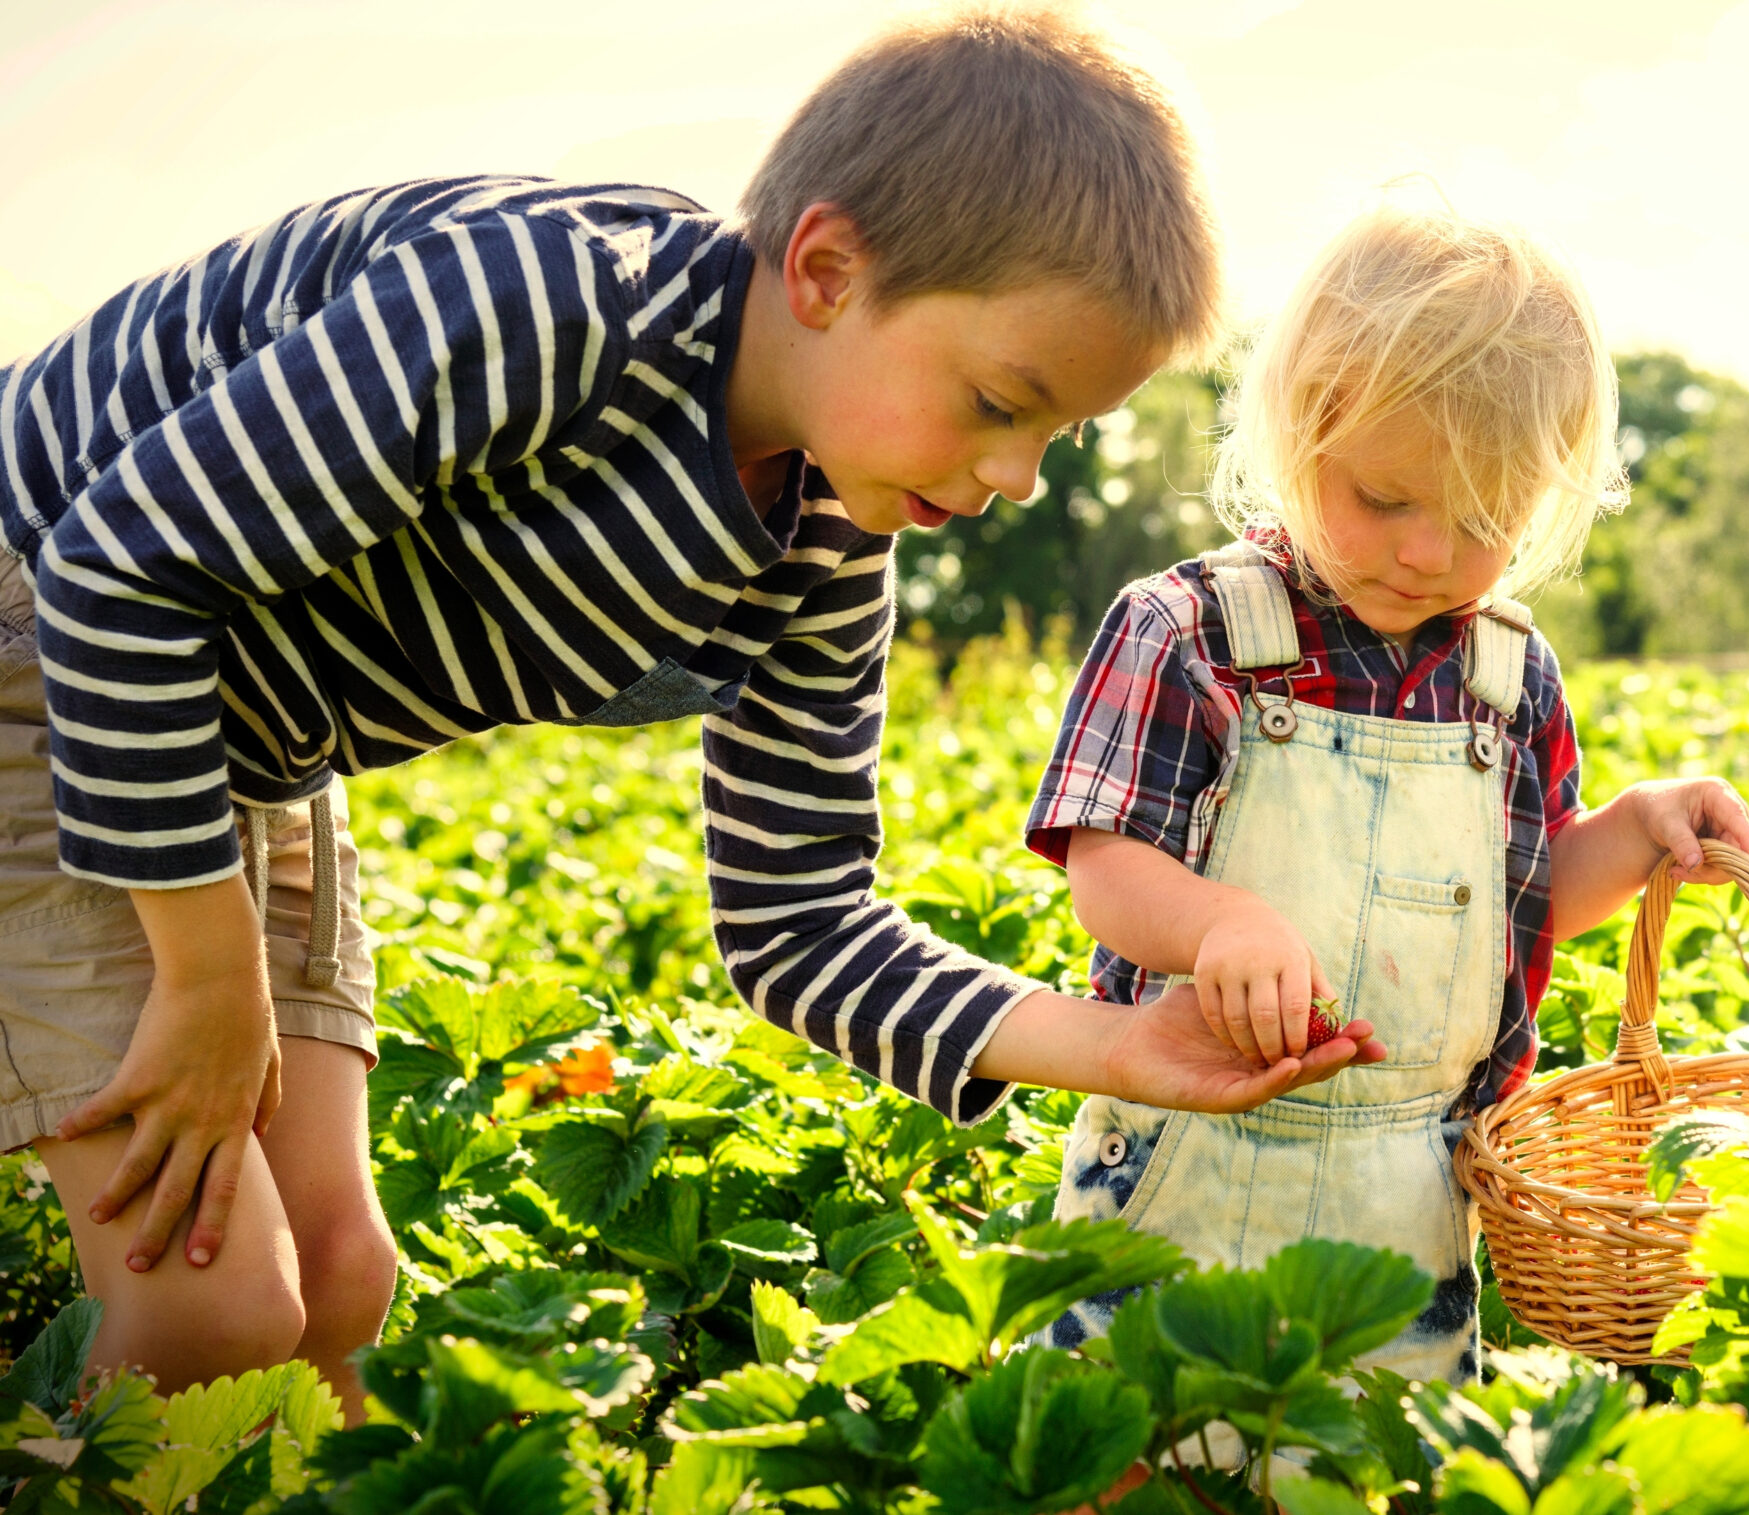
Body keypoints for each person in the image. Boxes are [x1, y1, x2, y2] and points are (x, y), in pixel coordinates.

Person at [0, 5, 1375, 1407]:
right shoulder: (554, 301)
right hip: (47, 642)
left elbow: (798, 916)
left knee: (341, 1280)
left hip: (249, 737)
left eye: (1054, 435)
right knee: (214, 1308)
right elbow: (121, 566)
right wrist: (211, 975)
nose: (1016, 476)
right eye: (996, 401)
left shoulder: (831, 533)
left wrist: (1115, 1045)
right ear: (829, 269)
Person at [1025, 204, 1749, 1385]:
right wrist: (1220, 923)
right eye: (1384, 498)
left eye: (1480, 523)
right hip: (1186, 1169)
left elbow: (1513, 910)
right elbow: (1106, 873)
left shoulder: (1507, 680)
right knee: (1144, 1458)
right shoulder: (1190, 631)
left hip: (1407, 1200)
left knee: (1377, 1476)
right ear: (1296, 431)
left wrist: (1633, 833)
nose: (1424, 553)